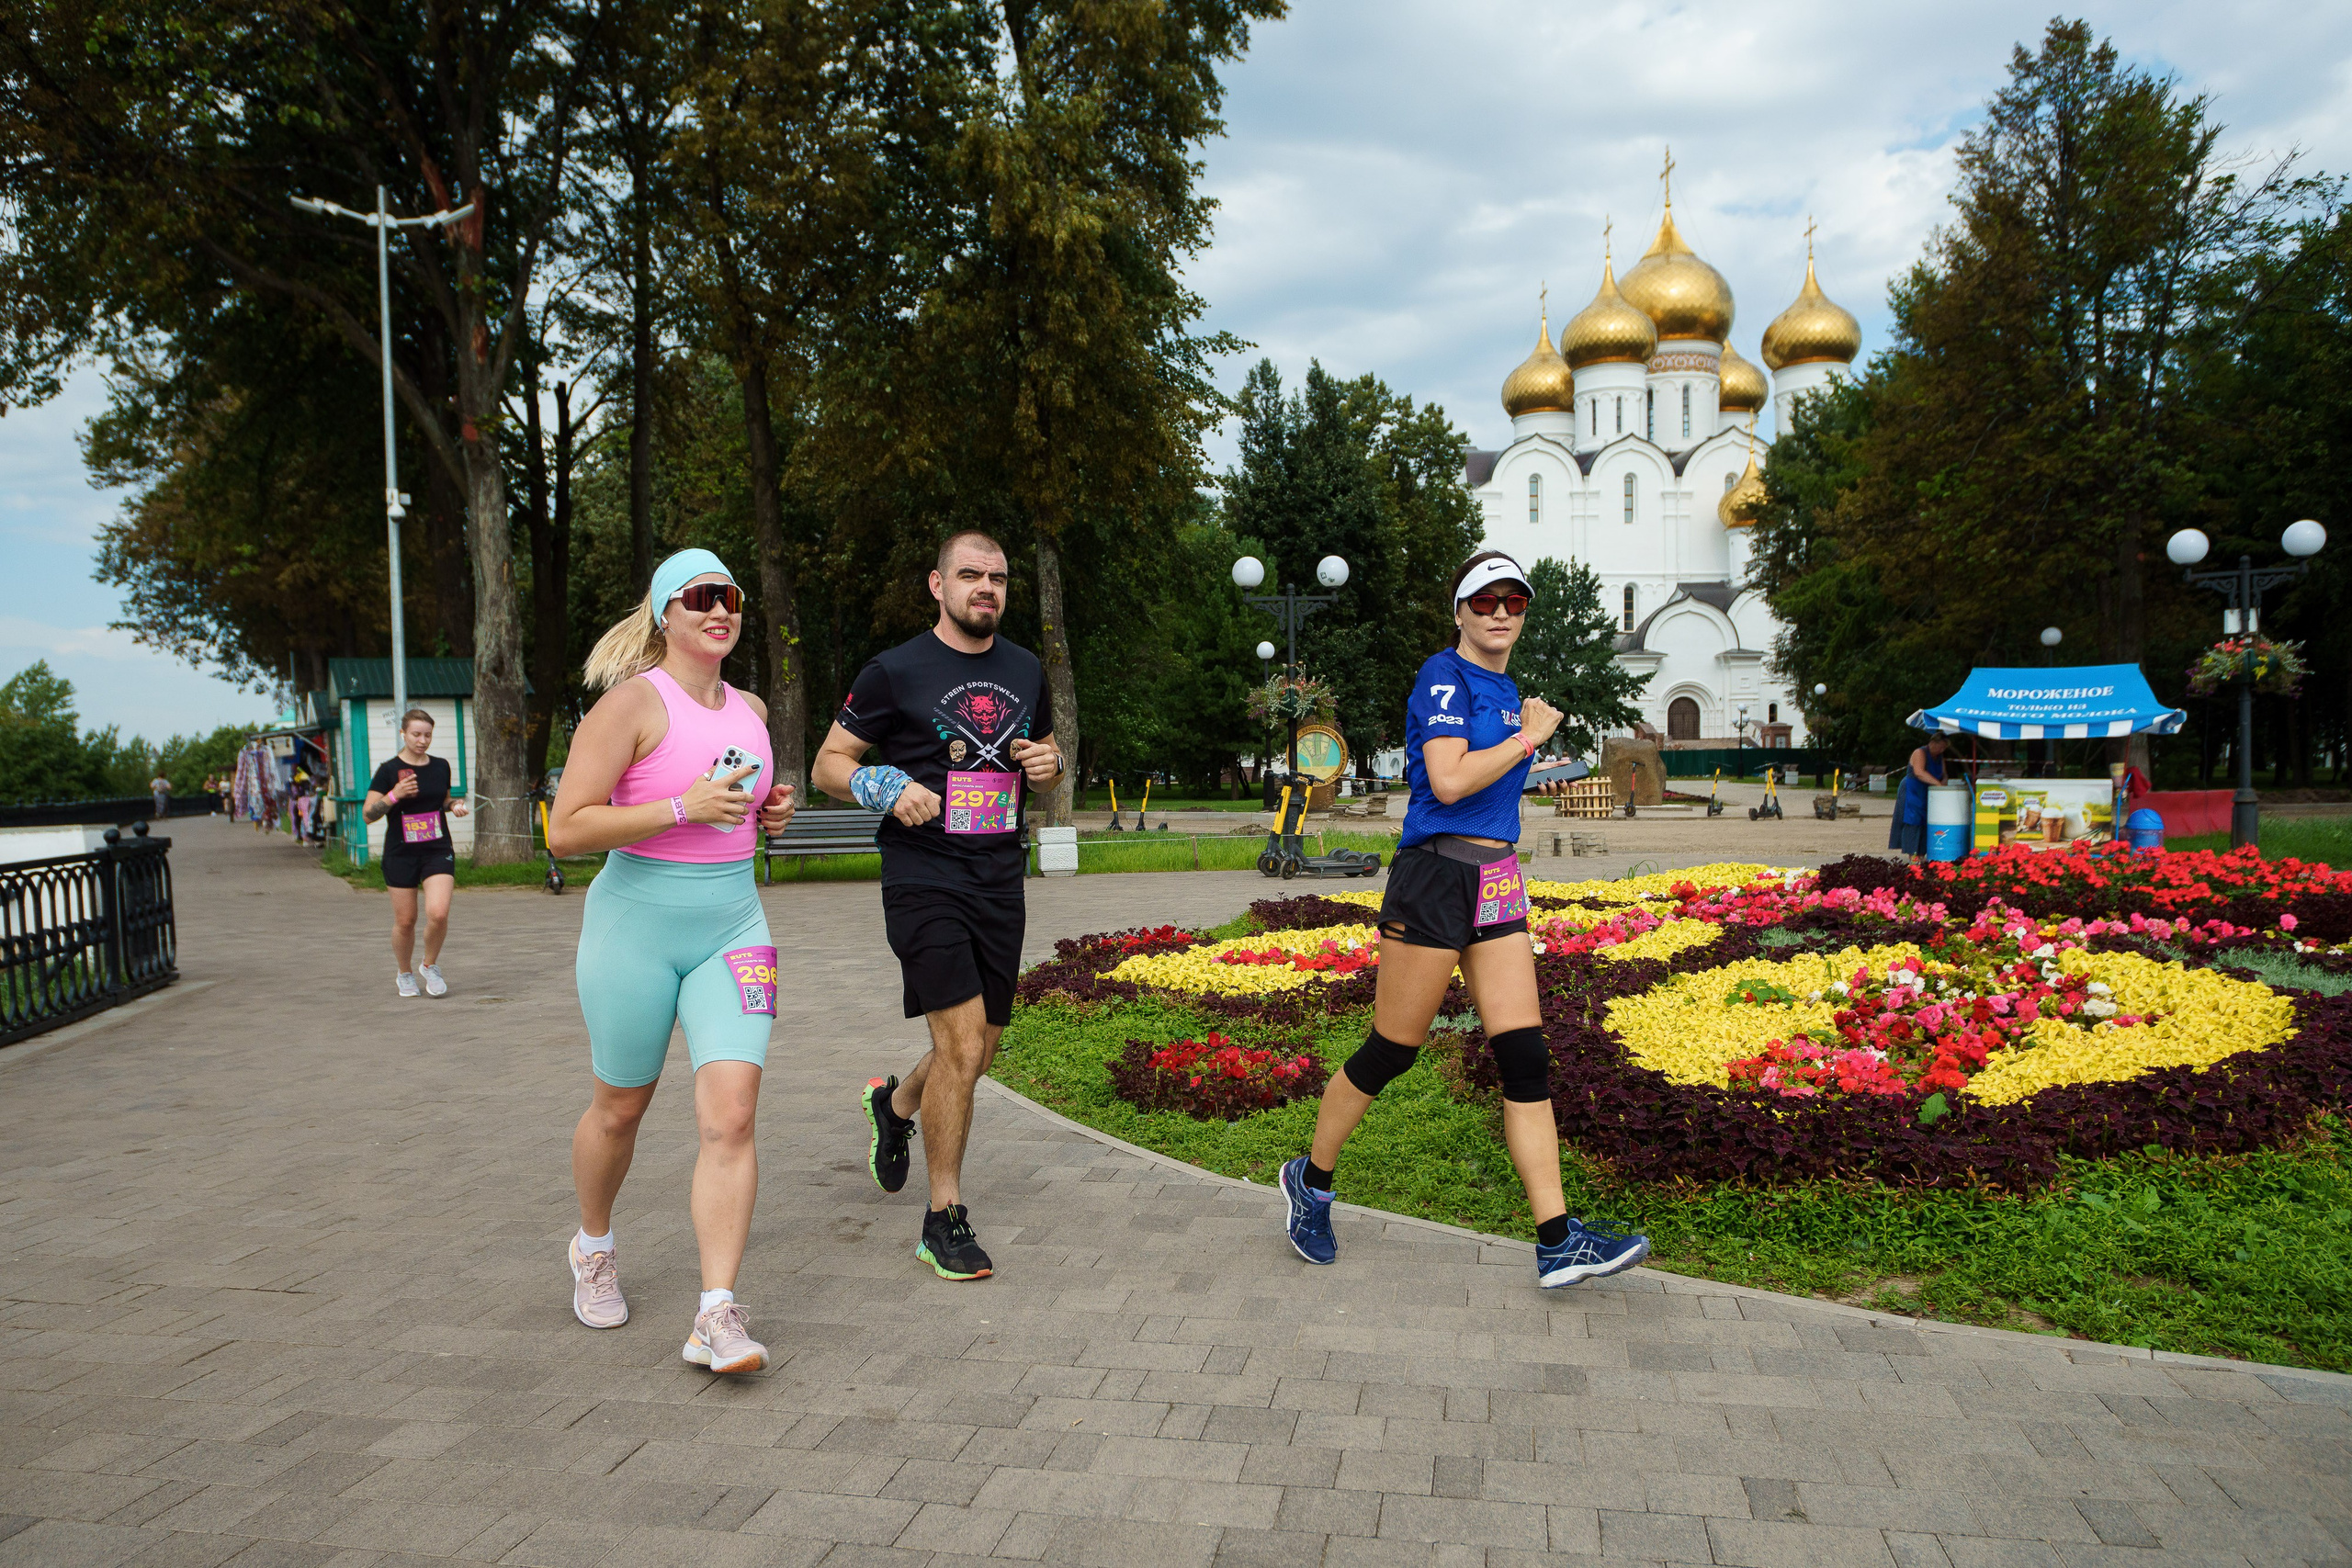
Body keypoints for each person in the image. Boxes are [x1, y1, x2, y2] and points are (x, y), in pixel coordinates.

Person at [1278, 550, 1652, 1289]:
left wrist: (1530, 760)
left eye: (1514, 601)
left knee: (1526, 1058)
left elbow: (1491, 780)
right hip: (1436, 875)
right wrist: (1526, 740)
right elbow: (1448, 781)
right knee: (1392, 1049)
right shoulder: (1442, 675)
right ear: (1460, 611)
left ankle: (1557, 1240)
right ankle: (1310, 1181)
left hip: (1498, 878)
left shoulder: (1508, 690)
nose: (1501, 612)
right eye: (1485, 601)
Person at [548, 548, 797, 1374]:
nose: (720, 609)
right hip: (635, 928)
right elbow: (566, 828)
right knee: (619, 1109)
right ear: (665, 613)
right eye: (700, 597)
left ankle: (716, 1313)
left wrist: (770, 813)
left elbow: (742, 807)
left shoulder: (751, 708)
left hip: (734, 924)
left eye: (731, 595)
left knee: (733, 1116)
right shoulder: (629, 705)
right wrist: (681, 806)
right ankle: (592, 1244)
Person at [813, 532, 1063, 1282]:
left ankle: (894, 1107)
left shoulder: (1025, 669)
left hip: (999, 877)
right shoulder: (894, 670)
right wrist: (887, 786)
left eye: (998, 577)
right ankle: (943, 1216)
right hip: (923, 876)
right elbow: (828, 763)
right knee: (960, 1045)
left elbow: (1047, 766)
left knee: (980, 1051)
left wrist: (1049, 766)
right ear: (937, 584)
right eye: (971, 574)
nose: (986, 587)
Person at [362, 710, 470, 998]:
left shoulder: (441, 766)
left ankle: (429, 965)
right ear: (403, 734)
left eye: (428, 735)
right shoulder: (388, 770)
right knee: (406, 921)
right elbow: (368, 815)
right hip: (401, 853)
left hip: (437, 849)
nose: (422, 740)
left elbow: (442, 800)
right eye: (416, 734)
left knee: (439, 913)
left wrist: (454, 805)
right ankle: (404, 973)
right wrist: (394, 794)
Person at [1890, 732, 1953, 863]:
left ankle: (1921, 853)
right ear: (1933, 743)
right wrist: (1937, 784)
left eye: (1944, 748)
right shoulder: (1920, 752)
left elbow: (1944, 774)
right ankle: (1912, 854)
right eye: (1940, 747)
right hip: (1912, 790)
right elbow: (1919, 772)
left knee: (1926, 821)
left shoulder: (1940, 757)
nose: (1941, 750)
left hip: (1928, 792)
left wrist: (1944, 783)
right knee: (1913, 820)